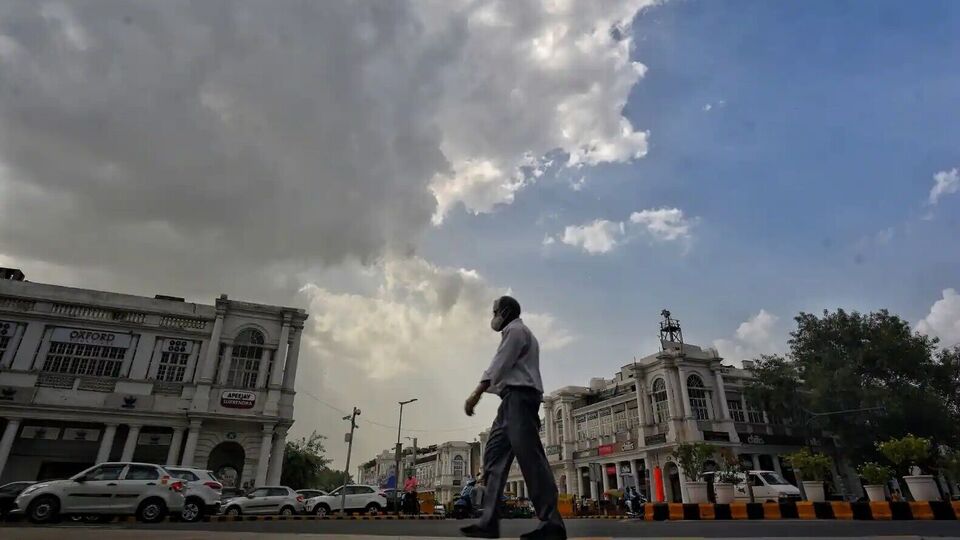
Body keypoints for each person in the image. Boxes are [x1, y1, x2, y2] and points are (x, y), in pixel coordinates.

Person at [461, 296, 566, 540]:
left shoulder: (516, 331)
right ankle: (489, 521)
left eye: (495, 311)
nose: (493, 316)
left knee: (531, 459)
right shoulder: (514, 333)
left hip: (522, 399)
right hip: (509, 401)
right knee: (493, 457)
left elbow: (500, 363)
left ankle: (552, 523)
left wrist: (476, 393)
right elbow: (503, 373)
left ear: (506, 311)